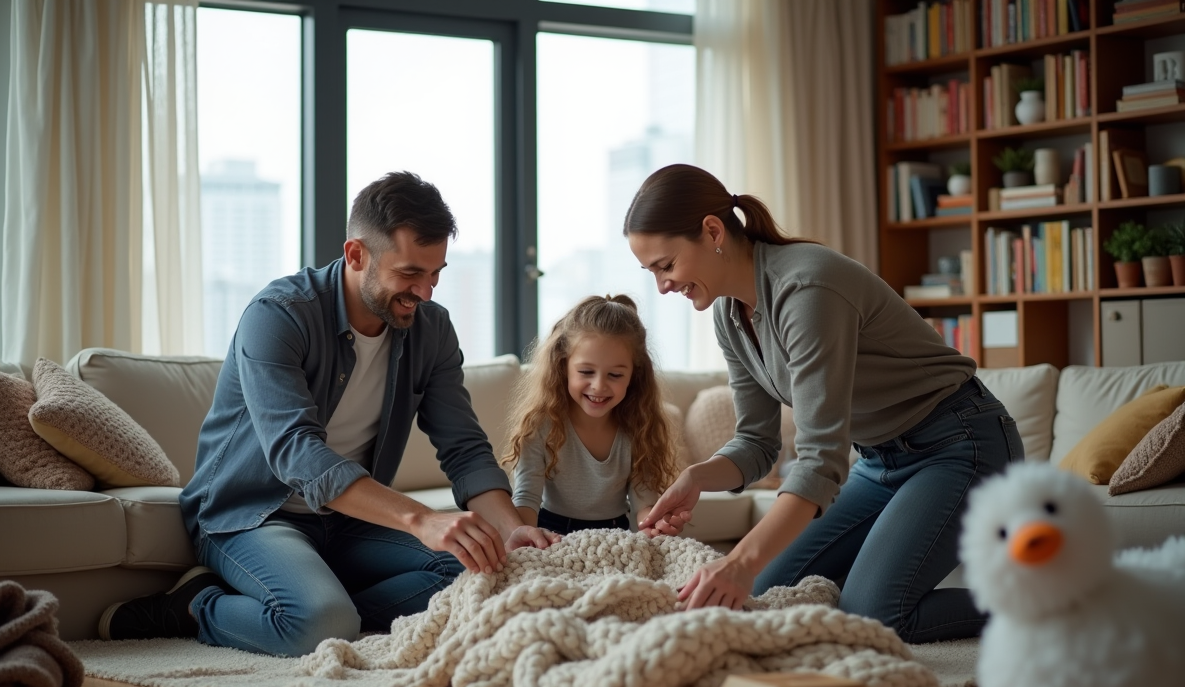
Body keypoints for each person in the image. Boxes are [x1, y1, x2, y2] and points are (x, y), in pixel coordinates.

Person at [99, 172, 558, 656]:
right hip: (251, 515)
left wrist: (512, 530)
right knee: (319, 623)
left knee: (483, 570)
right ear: (356, 255)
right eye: (409, 274)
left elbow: (463, 448)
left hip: (348, 525)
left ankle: (319, 599)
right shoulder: (278, 315)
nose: (425, 293)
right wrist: (421, 519)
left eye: (435, 273)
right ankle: (197, 606)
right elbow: (297, 451)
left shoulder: (432, 329)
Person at [624, 164, 1024, 644]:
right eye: (652, 273)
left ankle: (1050, 600)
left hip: (961, 445)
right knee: (772, 591)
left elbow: (819, 460)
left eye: (666, 266)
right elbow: (756, 442)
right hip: (880, 462)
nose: (663, 286)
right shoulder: (730, 316)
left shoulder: (807, 288)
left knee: (876, 612)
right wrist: (696, 479)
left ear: (712, 231)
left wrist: (738, 561)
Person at [501, 294, 687, 537]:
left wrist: (655, 525)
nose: (599, 386)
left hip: (615, 535)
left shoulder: (639, 427)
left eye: (615, 375)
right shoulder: (540, 426)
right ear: (562, 366)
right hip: (551, 535)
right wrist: (522, 534)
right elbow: (526, 498)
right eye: (586, 372)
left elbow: (644, 504)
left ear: (634, 375)